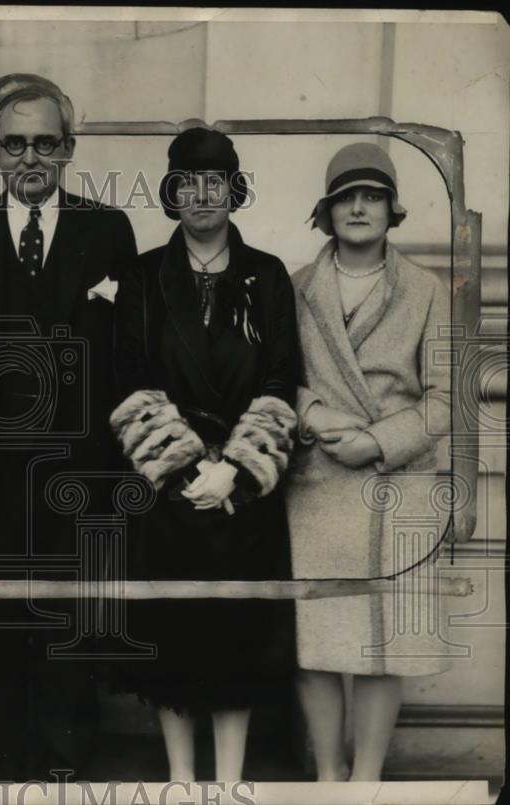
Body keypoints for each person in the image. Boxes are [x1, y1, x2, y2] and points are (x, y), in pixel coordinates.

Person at [0, 73, 138, 781]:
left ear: (69, 146)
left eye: (45, 142)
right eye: (14, 143)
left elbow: (126, 352)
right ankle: (5, 763)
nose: (30, 157)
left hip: (82, 467)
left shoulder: (110, 231)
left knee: (71, 613)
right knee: (1, 618)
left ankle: (68, 763)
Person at [110, 128, 299, 781]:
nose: (201, 195)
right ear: (171, 193)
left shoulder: (268, 275)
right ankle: (182, 781)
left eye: (214, 182)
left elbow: (281, 380)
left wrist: (236, 470)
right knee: (175, 641)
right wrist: (189, 467)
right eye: (187, 182)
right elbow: (129, 380)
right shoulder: (141, 278)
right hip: (172, 492)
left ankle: (229, 783)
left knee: (236, 641)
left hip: (242, 496)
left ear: (234, 191)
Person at [287, 142, 452, 781]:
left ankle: (367, 780)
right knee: (317, 643)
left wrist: (381, 442)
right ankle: (329, 776)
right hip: (318, 484)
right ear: (326, 212)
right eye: (345, 197)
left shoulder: (427, 290)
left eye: (373, 195)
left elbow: (445, 397)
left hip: (396, 486)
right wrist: (314, 415)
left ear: (391, 209)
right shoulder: (296, 287)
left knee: (389, 646)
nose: (359, 207)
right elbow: (274, 379)